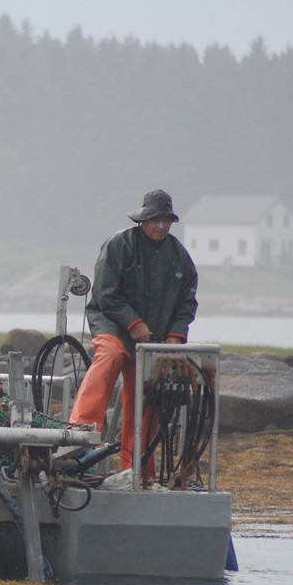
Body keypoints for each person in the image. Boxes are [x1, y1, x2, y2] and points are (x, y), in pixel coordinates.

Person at [68, 189, 198, 476]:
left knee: (146, 398)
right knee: (112, 355)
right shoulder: (119, 244)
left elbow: (187, 303)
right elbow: (105, 294)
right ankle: (81, 427)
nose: (161, 225)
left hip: (153, 339)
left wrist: (176, 335)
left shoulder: (180, 257)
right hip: (112, 324)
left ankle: (137, 470)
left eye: (166, 220)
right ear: (143, 219)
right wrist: (133, 323)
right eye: (155, 219)